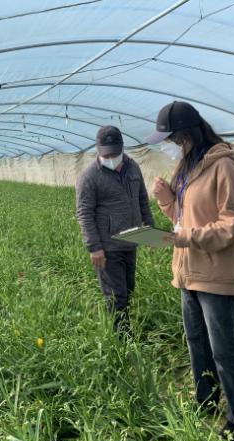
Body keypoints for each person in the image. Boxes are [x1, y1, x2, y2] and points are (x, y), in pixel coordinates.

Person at [146, 101, 234, 440]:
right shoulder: (187, 167)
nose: (170, 146)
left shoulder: (223, 167)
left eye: (172, 139)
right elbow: (183, 219)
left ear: (187, 135)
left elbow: (233, 223)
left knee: (224, 349)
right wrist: (167, 199)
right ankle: (206, 401)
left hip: (216, 272)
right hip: (189, 269)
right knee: (197, 342)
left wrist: (187, 237)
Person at [75, 125, 154, 333]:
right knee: (116, 295)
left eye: (114, 153)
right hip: (108, 247)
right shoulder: (89, 176)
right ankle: (121, 339)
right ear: (98, 150)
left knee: (128, 289)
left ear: (122, 148)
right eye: (106, 154)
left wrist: (149, 227)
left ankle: (126, 329)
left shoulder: (133, 167)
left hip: (131, 240)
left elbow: (142, 198)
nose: (111, 158)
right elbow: (84, 213)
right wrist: (94, 247)